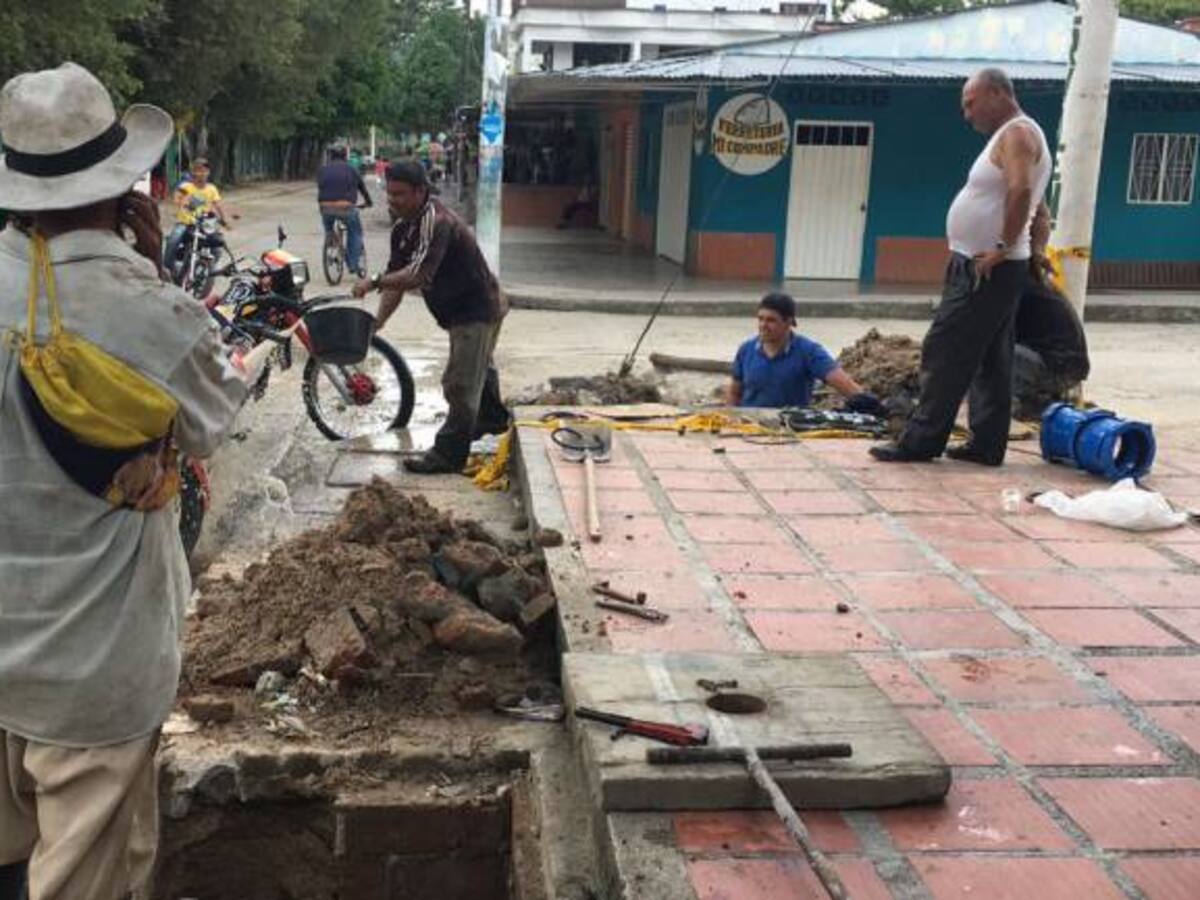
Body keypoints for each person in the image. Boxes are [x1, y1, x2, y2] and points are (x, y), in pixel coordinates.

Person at [0, 63, 246, 899]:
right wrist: (158, 273)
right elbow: (211, 421)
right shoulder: (154, 311)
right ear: (125, 186)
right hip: (94, 671)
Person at [871, 67, 1051, 466]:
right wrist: (1034, 251)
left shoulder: (1017, 135)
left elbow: (1023, 191)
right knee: (991, 358)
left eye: (970, 103)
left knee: (944, 348)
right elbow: (1041, 209)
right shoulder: (1021, 134)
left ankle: (920, 441)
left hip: (986, 267)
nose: (967, 114)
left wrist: (1003, 248)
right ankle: (986, 445)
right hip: (993, 264)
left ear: (998, 94)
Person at [352, 160, 509, 474]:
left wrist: (373, 281)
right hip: (459, 310)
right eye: (389, 193)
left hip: (477, 308)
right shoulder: (402, 228)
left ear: (421, 191)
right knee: (479, 368)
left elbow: (417, 275)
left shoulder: (436, 222)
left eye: (400, 194)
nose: (392, 200)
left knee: (460, 383)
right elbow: (398, 279)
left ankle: (449, 455)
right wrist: (380, 320)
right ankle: (491, 422)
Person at [727, 293, 872, 409]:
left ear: (789, 322)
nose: (763, 325)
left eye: (771, 320)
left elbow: (846, 385)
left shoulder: (809, 352)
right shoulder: (746, 350)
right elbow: (734, 394)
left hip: (790, 429)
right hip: (749, 428)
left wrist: (872, 407)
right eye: (760, 319)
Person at [1013, 276, 1090, 419]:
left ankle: (1034, 403)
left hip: (1057, 370)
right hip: (1063, 367)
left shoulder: (1017, 286)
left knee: (989, 349)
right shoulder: (1030, 280)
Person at [163, 157, 232, 280]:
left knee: (218, 246)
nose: (200, 173)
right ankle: (166, 270)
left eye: (203, 170)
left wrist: (224, 220)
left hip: (204, 225)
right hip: (185, 222)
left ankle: (207, 269)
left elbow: (218, 205)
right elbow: (176, 198)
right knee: (173, 240)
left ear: (208, 172)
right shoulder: (186, 186)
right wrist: (183, 202)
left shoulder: (212, 189)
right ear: (193, 172)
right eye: (197, 170)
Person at [317, 145, 373, 277]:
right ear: (345, 156)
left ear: (330, 157)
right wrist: (368, 202)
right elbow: (362, 188)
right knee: (355, 233)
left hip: (325, 208)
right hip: (346, 208)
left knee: (328, 226)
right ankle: (353, 264)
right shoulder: (352, 170)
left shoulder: (322, 170)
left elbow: (321, 186)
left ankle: (331, 239)